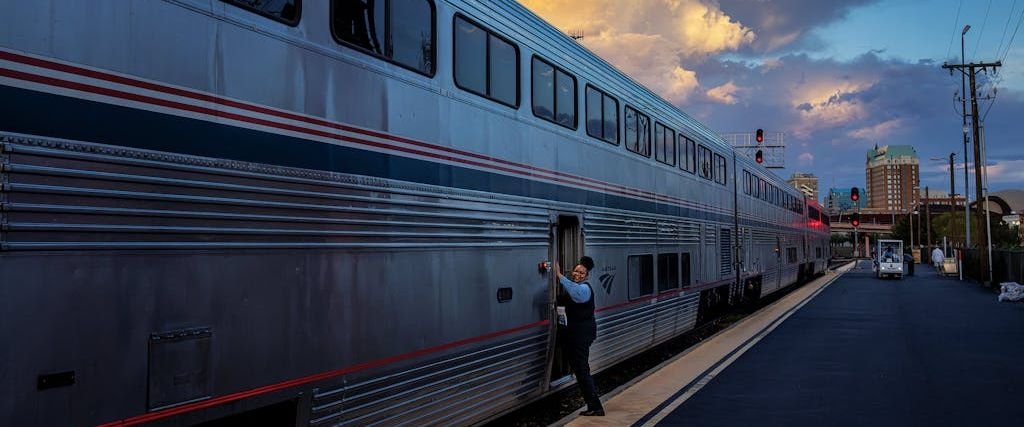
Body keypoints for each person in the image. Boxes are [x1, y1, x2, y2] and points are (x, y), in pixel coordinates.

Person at [554, 256, 603, 417]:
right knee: (581, 369)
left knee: (582, 371)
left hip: (581, 335)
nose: (578, 274)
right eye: (576, 271)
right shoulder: (575, 287)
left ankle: (596, 407)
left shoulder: (584, 289)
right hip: (576, 335)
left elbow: (575, 293)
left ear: (587, 276)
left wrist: (559, 275)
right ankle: (593, 406)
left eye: (582, 273)